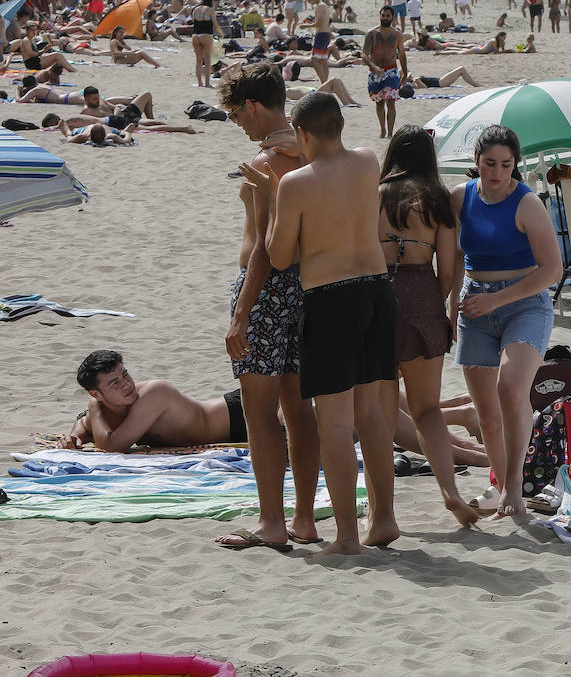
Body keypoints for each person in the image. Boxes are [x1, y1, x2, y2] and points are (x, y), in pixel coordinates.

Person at [238, 91, 399, 556]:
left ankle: (347, 537)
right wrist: (305, 147)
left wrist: (270, 197)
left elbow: (281, 253)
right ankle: (384, 518)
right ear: (341, 127)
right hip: (377, 292)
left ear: (303, 134)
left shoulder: (296, 184)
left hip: (331, 300)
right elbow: (329, 158)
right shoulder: (368, 161)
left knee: (334, 423)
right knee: (371, 416)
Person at [216, 62, 322, 551]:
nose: (240, 123)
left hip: (265, 291)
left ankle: (271, 523)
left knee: (261, 414)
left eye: (238, 114)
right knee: (300, 409)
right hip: (309, 288)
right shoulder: (313, 154)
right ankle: (303, 518)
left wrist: (241, 312)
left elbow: (262, 246)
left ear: (254, 106)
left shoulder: (265, 165)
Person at [449, 126, 561, 518]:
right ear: (476, 161)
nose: (497, 172)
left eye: (506, 165)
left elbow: (552, 270)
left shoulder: (527, 203)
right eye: (489, 163)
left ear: (516, 164)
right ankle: (499, 482)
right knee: (486, 414)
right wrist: (450, 309)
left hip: (524, 302)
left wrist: (497, 298)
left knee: (511, 389)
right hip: (473, 304)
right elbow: (450, 262)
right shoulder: (460, 198)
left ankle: (515, 486)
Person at [379, 127, 479, 526]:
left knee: (379, 415)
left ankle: (382, 513)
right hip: (422, 294)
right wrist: (433, 304)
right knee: (427, 410)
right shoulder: (439, 201)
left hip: (378, 297)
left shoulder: (375, 195)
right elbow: (450, 270)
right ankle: (450, 492)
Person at [59, 351, 248, 452]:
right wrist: (73, 436)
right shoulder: (113, 407)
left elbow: (111, 447)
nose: (126, 384)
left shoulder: (155, 392)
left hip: (240, 413)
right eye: (115, 382)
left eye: (125, 375)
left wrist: (94, 409)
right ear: (96, 394)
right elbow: (84, 425)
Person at [363, 5, 407, 139]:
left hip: (391, 70)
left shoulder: (397, 35)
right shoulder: (372, 33)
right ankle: (382, 129)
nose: (385, 18)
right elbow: (364, 55)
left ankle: (390, 133)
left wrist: (404, 71)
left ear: (392, 18)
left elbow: (402, 54)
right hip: (375, 72)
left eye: (388, 16)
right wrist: (374, 67)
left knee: (391, 102)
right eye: (383, 15)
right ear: (380, 16)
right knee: (379, 103)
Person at [307, 0, 332, 83]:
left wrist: (306, 25)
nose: (309, 2)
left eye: (309, 0)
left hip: (321, 35)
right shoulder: (323, 5)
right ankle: (325, 82)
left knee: (314, 60)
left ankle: (323, 82)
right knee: (323, 61)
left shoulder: (320, 6)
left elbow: (319, 23)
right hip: (325, 34)